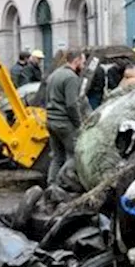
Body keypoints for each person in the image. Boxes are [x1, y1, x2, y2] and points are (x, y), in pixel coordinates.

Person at [45, 48, 88, 186]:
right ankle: (61, 183)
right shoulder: (71, 78)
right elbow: (71, 104)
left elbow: (46, 99)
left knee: (57, 157)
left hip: (51, 121)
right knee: (75, 155)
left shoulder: (54, 75)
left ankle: (51, 184)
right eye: (83, 62)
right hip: (65, 123)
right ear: (77, 61)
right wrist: (79, 124)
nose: (84, 65)